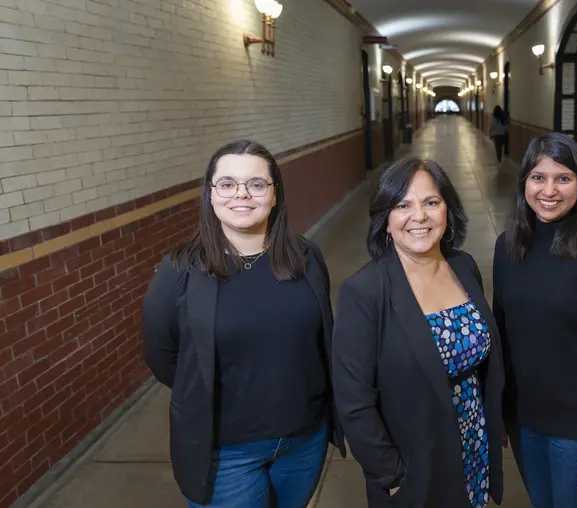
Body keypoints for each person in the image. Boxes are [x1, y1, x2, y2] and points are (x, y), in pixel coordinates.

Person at [142, 140, 345, 507]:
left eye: (256, 184)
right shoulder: (180, 271)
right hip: (226, 450)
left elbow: (320, 340)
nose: (242, 194)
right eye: (227, 183)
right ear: (210, 193)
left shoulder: (305, 257)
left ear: (274, 193)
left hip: (304, 440)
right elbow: (164, 356)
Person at [332, 157, 505, 508]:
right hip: (414, 464)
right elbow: (353, 401)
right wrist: (391, 475)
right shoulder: (365, 291)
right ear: (385, 219)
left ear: (448, 209)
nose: (420, 216)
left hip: (472, 445)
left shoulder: (463, 266)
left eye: (431, 202)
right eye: (403, 205)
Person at [492, 132, 577, 508]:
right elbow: (501, 337)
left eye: (563, 178)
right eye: (538, 178)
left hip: (574, 428)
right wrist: (500, 412)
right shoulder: (507, 249)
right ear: (524, 184)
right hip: (523, 420)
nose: (549, 190)